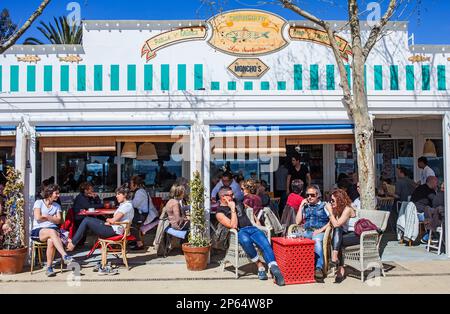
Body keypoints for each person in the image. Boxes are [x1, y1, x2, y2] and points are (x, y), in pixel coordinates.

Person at [215, 186, 285, 286]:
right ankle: (259, 265)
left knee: (265, 244)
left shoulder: (238, 202)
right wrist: (232, 209)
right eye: (230, 195)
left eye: (232, 194)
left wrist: (256, 221)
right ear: (223, 197)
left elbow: (248, 208)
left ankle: (274, 268)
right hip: (240, 231)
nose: (233, 196)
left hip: (252, 228)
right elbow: (233, 225)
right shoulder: (220, 212)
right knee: (246, 241)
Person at [67, 184, 134, 255]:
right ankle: (74, 242)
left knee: (87, 220)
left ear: (125, 195)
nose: (116, 196)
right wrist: (109, 221)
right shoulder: (126, 205)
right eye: (116, 194)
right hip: (115, 229)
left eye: (119, 194)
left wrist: (108, 220)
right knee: (89, 220)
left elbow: (113, 220)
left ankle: (73, 243)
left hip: (114, 231)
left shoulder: (126, 206)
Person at [31, 184, 73, 277]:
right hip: (39, 231)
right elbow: (38, 217)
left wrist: (46, 216)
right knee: (52, 232)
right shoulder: (39, 203)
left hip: (53, 231)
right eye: (56, 193)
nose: (58, 195)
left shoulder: (57, 205)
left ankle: (49, 268)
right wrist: (52, 218)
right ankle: (64, 255)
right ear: (50, 193)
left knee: (51, 240)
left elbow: (60, 220)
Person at [295, 185, 329, 281]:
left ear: (318, 195)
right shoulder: (305, 206)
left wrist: (321, 229)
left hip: (319, 231)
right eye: (308, 195)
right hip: (307, 231)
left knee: (316, 240)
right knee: (292, 237)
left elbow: (332, 221)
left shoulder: (324, 206)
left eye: (312, 195)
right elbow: (297, 222)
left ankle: (318, 268)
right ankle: (297, 266)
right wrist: (301, 206)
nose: (309, 197)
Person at [327, 189, 358, 283]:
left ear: (339, 200)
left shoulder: (348, 209)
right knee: (338, 232)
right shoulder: (338, 209)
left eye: (332, 200)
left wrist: (330, 212)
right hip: (345, 235)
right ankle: (339, 266)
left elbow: (336, 224)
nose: (331, 202)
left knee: (337, 231)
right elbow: (331, 224)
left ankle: (336, 261)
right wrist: (319, 230)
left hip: (356, 235)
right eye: (330, 200)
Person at [129, 175, 158, 250]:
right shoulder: (140, 191)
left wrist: (126, 201)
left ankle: (139, 243)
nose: (130, 185)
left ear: (136, 184)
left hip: (147, 216)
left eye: (131, 184)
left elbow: (134, 204)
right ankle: (135, 240)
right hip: (144, 214)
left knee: (130, 222)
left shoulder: (140, 192)